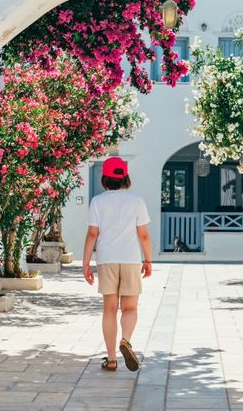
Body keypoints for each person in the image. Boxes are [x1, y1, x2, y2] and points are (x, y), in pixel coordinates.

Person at [82, 156, 152, 372]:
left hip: (107, 259)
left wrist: (86, 264)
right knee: (130, 307)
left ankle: (111, 359)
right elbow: (144, 236)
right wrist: (148, 260)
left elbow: (92, 234)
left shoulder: (98, 202)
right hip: (130, 259)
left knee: (110, 309)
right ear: (126, 178)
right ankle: (126, 340)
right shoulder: (136, 201)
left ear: (104, 178)